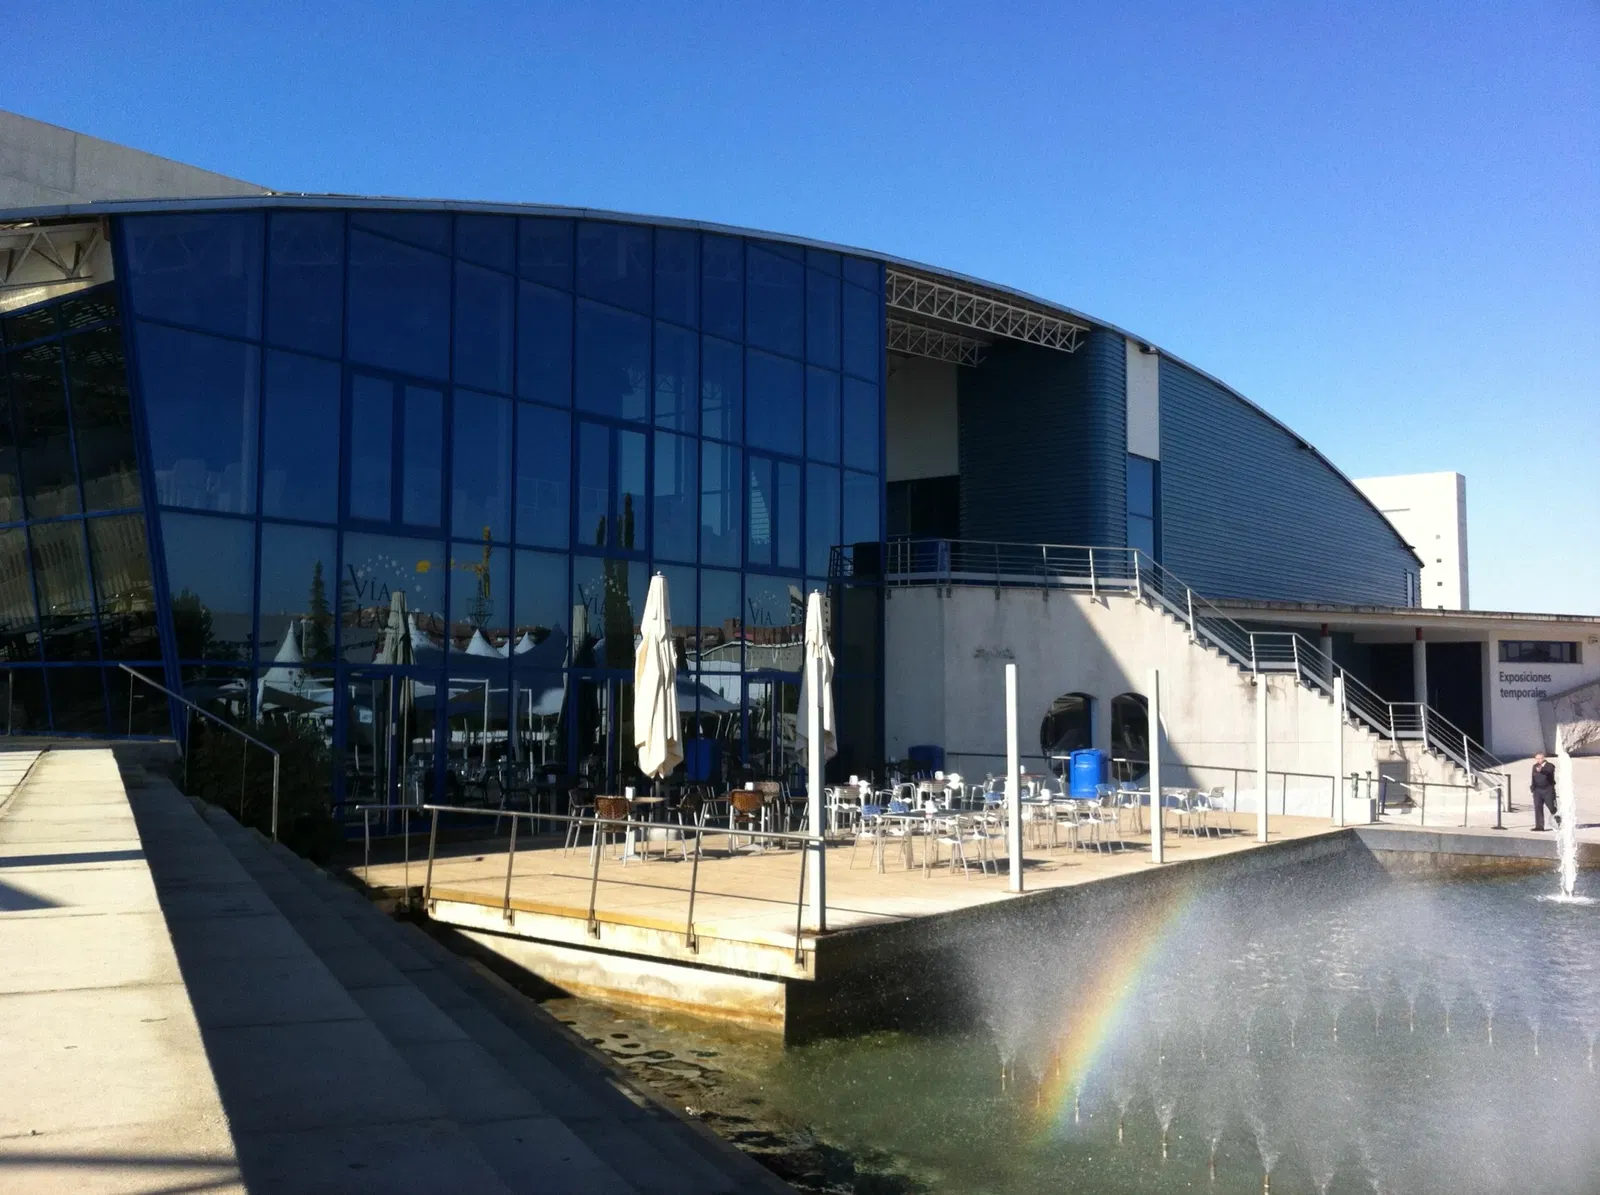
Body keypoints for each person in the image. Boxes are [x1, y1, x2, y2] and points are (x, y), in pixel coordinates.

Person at [1530, 752, 1559, 831]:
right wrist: (1533, 788)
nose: (1538, 760)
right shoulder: (1534, 766)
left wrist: (1542, 770)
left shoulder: (1550, 766)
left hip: (1548, 790)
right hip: (1538, 791)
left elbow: (1548, 773)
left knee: (1552, 807)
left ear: (1543, 758)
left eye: (1540, 758)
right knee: (1538, 807)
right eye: (1537, 758)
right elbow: (1533, 778)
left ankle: (1560, 822)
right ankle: (1539, 826)